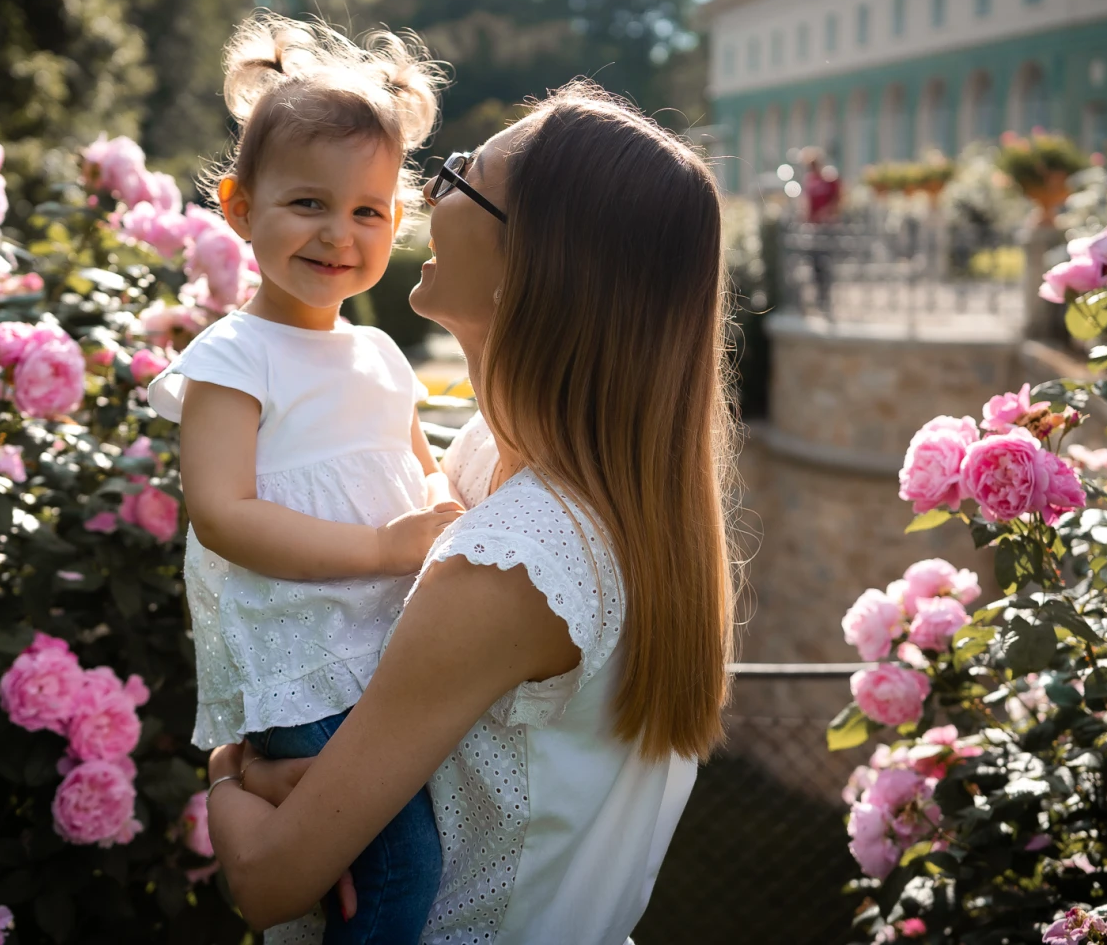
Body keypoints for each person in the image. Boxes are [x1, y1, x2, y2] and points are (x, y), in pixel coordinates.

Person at [203, 83, 739, 945]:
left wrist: (227, 772)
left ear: (532, 261)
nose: (427, 192)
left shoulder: (511, 563)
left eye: (460, 175)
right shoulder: (517, 468)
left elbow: (267, 881)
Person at [147, 13, 461, 945]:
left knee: (375, 872)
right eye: (308, 204)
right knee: (402, 872)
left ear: (396, 224)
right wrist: (380, 546)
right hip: (304, 669)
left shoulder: (379, 355)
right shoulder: (234, 356)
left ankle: (252, 811)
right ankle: (242, 806)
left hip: (387, 659)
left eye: (367, 211)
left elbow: (427, 474)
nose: (339, 233)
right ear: (240, 207)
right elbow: (222, 513)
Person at [800, 147, 843, 317]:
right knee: (815, 262)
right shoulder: (810, 181)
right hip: (814, 227)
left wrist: (828, 213)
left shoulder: (829, 180)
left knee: (826, 261)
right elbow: (806, 203)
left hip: (827, 227)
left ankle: (826, 296)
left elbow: (838, 199)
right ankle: (819, 296)